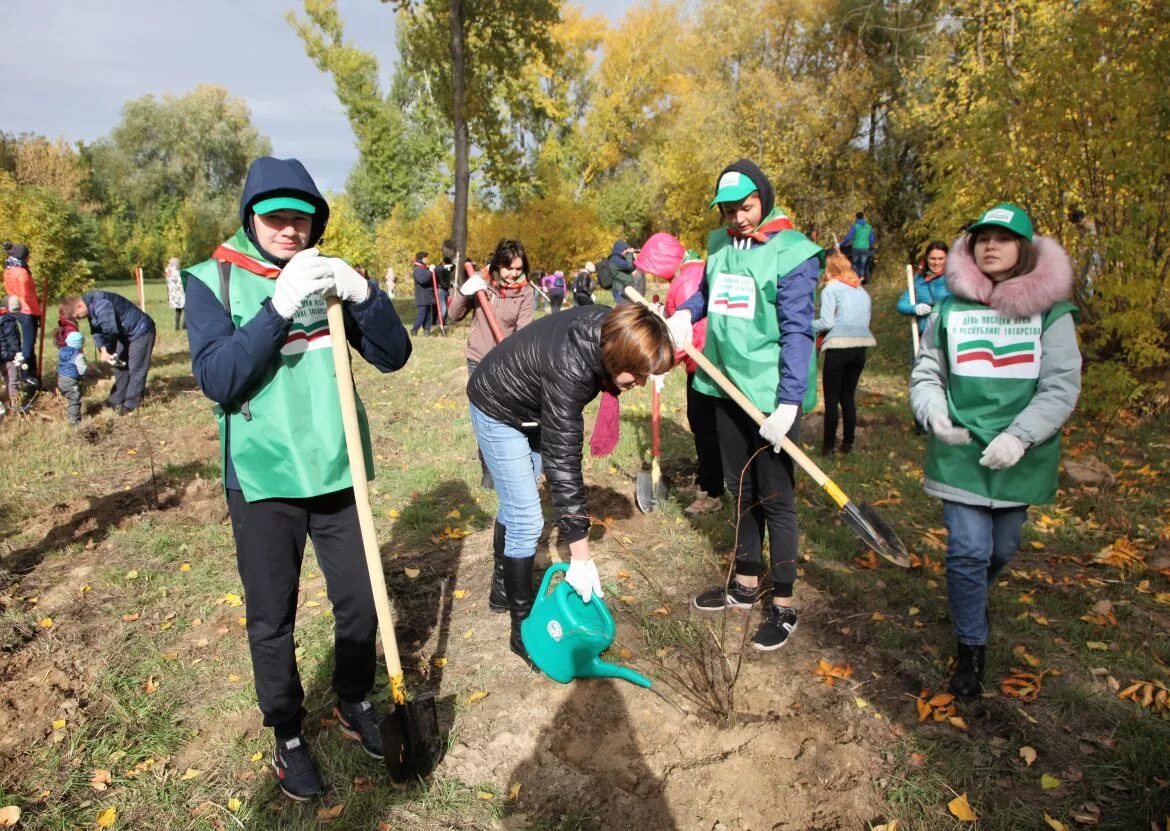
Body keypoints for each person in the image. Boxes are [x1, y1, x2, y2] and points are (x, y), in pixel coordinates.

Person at [185, 155, 412, 801]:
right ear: (251, 218)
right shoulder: (212, 280)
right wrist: (278, 307)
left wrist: (365, 294)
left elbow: (394, 357)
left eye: (302, 219)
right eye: (276, 217)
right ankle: (287, 732)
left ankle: (352, 698)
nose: (290, 230)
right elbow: (218, 379)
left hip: (336, 466)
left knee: (361, 600)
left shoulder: (332, 276)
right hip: (262, 477)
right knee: (272, 618)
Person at [910, 202, 1081, 699]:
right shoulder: (947, 309)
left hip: (1021, 454)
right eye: (982, 238)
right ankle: (971, 649)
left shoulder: (1052, 314)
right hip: (960, 450)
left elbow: (1060, 387)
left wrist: (1020, 436)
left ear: (1024, 249)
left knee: (1002, 549)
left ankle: (971, 600)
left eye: (1002, 239)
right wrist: (933, 413)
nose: (990, 246)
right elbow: (928, 374)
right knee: (967, 551)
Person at [668, 158, 822, 652]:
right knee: (739, 491)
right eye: (729, 210)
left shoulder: (793, 252)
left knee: (776, 498)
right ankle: (745, 584)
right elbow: (710, 297)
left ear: (765, 200)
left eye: (747, 207)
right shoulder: (717, 246)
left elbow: (798, 331)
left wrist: (789, 404)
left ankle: (783, 603)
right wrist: (683, 315)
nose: (737, 218)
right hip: (723, 385)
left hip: (772, 398)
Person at [467, 303, 674, 665]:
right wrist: (581, 558)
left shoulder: (611, 330)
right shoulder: (571, 368)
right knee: (527, 519)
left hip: (533, 405)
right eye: (638, 374)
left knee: (518, 502)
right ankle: (522, 629)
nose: (640, 384)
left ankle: (501, 588)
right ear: (616, 356)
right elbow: (563, 464)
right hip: (499, 405)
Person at [448, 239, 535, 498]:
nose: (513, 274)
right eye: (508, 268)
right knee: (483, 415)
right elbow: (453, 315)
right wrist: (465, 292)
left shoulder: (526, 292)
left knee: (507, 415)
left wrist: (514, 359)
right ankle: (488, 467)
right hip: (477, 359)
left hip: (506, 363)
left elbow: (525, 331)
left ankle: (511, 464)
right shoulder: (480, 283)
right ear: (497, 264)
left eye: (518, 268)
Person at [813, 251, 875, 456]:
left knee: (831, 400)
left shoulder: (831, 289)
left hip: (838, 347)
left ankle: (828, 447)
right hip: (860, 349)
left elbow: (827, 323)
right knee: (848, 397)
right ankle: (848, 444)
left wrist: (806, 324)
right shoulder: (861, 291)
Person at [61, 290, 155, 414]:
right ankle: (116, 400)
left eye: (78, 316)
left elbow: (110, 330)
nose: (80, 319)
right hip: (124, 334)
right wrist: (103, 350)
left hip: (141, 331)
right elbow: (96, 331)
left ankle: (131, 404)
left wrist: (109, 350)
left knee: (136, 368)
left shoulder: (101, 304)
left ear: (79, 306)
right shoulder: (89, 306)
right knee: (119, 367)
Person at [3, 242, 42, 388]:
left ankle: (25, 374)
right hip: (27, 310)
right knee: (28, 345)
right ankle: (27, 375)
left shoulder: (8, 269)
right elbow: (29, 296)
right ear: (24, 257)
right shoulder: (22, 273)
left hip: (15, 308)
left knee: (21, 343)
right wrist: (38, 312)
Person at [897, 241, 951, 337]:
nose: (936, 263)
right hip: (924, 336)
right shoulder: (917, 279)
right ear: (926, 258)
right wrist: (915, 309)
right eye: (933, 259)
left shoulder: (955, 279)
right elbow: (901, 305)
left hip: (949, 335)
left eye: (941, 259)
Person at [56, 330, 88, 427]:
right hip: (71, 380)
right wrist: (87, 369)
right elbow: (82, 369)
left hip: (61, 378)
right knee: (75, 399)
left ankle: (69, 413)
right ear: (80, 344)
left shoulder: (62, 351)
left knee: (70, 396)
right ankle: (73, 421)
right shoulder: (78, 355)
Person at [0, 297, 23, 416]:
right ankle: (16, 407)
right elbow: (12, 339)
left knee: (8, 380)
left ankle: (4, 407)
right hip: (9, 356)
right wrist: (18, 353)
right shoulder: (8, 320)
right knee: (13, 380)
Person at [840, 212, 876, 283]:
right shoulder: (869, 227)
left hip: (856, 248)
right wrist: (870, 245)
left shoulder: (855, 226)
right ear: (864, 217)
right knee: (862, 265)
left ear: (856, 218)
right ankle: (861, 281)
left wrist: (842, 244)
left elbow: (849, 238)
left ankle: (855, 280)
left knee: (855, 264)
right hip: (865, 248)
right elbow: (872, 239)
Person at [411, 251, 434, 336]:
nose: (427, 259)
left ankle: (427, 331)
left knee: (428, 316)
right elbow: (422, 280)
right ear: (421, 259)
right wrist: (430, 272)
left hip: (428, 296)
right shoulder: (417, 269)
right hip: (422, 296)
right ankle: (414, 330)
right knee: (422, 315)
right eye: (425, 258)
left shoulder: (424, 268)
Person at [434, 242, 455, 327]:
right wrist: (444, 266)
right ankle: (440, 322)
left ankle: (444, 323)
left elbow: (453, 266)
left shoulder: (447, 269)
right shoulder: (440, 269)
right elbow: (437, 268)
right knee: (443, 307)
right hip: (441, 289)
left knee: (446, 307)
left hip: (446, 290)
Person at [165, 257, 187, 331]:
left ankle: (176, 326)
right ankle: (184, 325)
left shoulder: (169, 273)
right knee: (186, 309)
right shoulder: (178, 273)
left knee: (178, 310)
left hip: (174, 295)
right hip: (181, 294)